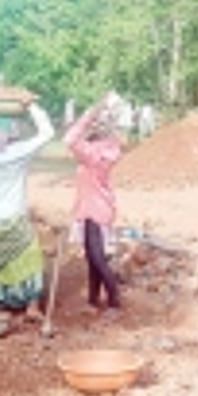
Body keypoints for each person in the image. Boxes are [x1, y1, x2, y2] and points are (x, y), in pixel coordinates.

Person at [0, 102, 56, 324]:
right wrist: (33, 107)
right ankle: (32, 305)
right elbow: (48, 133)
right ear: (13, 134)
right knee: (29, 258)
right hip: (14, 217)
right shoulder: (20, 151)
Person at [65, 94, 124, 315]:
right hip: (95, 209)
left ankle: (114, 301)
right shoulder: (108, 149)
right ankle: (93, 300)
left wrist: (90, 113)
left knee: (97, 258)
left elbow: (70, 139)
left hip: (95, 211)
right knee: (92, 258)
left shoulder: (92, 155)